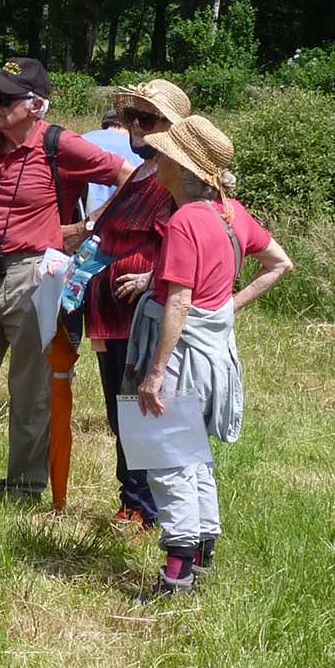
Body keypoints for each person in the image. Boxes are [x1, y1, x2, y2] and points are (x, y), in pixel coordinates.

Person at [0, 57, 135, 500]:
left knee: (32, 391)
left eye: (5, 98)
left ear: (36, 104)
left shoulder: (61, 145)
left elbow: (129, 177)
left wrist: (89, 227)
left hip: (38, 275)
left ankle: (25, 487)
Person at [128, 115, 291, 599]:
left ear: (181, 165)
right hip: (213, 353)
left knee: (169, 457)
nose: (154, 161)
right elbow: (280, 263)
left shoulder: (184, 221)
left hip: (181, 357)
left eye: (162, 154)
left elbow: (178, 301)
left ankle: (175, 577)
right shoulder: (230, 213)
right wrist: (225, 308)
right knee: (194, 457)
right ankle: (200, 559)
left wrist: (155, 372)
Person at [76, 79, 191, 529]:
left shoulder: (176, 178)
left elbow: (191, 236)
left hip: (142, 316)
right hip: (111, 313)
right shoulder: (141, 172)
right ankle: (133, 501)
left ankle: (151, 510)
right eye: (131, 117)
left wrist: (151, 275)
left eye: (148, 118)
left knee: (144, 412)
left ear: (173, 127)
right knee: (121, 411)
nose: (135, 127)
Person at [79, 107, 140, 218]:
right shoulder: (137, 150)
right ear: (130, 126)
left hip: (77, 220)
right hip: (120, 223)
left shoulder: (80, 141)